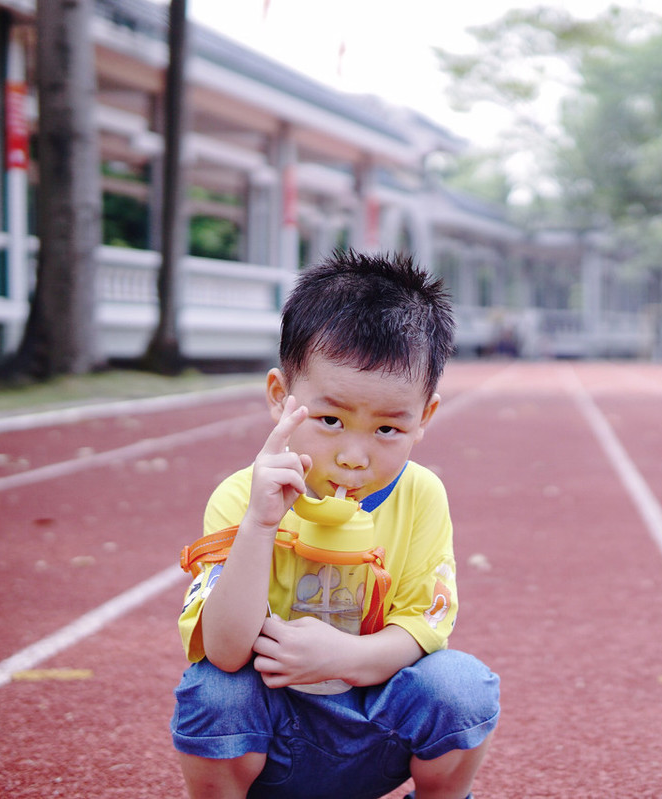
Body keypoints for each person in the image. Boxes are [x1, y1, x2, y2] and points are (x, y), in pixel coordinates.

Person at [171, 251, 499, 799]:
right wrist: (259, 524)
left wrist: (345, 658)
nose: (353, 455)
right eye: (330, 421)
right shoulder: (242, 496)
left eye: (388, 429)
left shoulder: (420, 495)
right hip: (274, 736)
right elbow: (225, 653)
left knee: (460, 685)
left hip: (373, 729)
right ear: (281, 397)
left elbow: (424, 628)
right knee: (214, 693)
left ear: (425, 419)